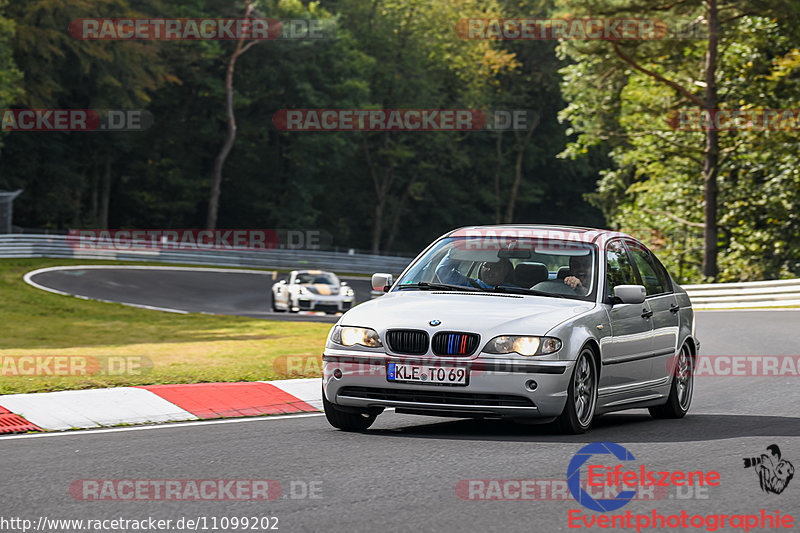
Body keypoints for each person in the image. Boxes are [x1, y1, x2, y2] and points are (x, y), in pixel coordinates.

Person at [436, 250, 513, 289]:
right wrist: (458, 249)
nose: (489, 270)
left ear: (506, 270)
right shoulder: (466, 285)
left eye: (496, 267)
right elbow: (443, 271)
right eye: (486, 265)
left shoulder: (516, 291)